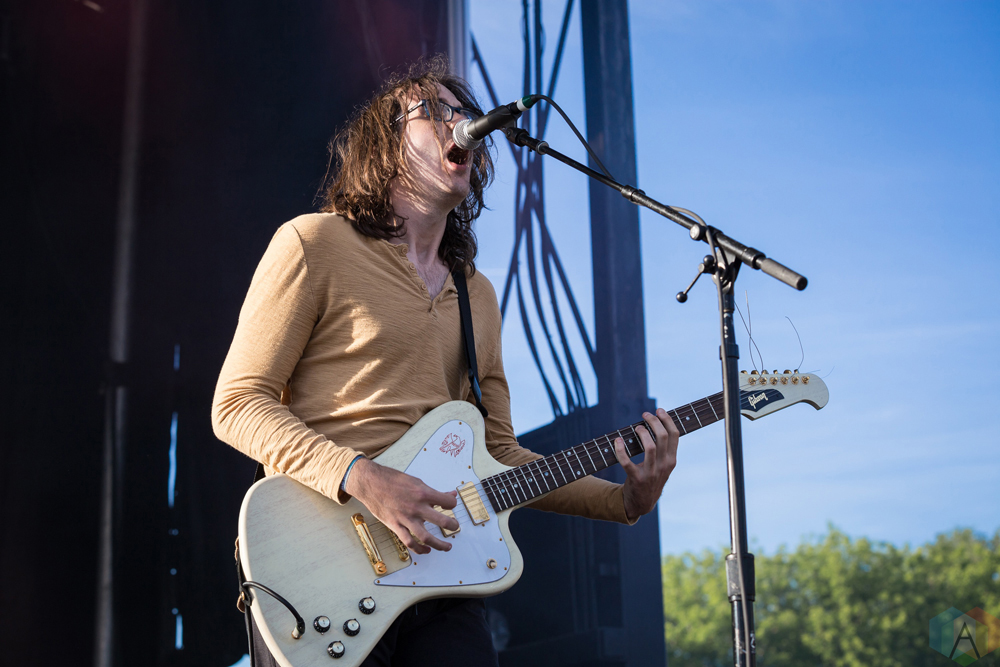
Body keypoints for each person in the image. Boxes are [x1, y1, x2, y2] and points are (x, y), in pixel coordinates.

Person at [211, 56, 679, 667]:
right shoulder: (312, 242)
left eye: (463, 112)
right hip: (321, 557)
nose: (459, 122)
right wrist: (365, 478)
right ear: (385, 144)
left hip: (444, 572)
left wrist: (623, 502)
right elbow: (237, 404)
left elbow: (501, 455)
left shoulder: (477, 295)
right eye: (432, 111)